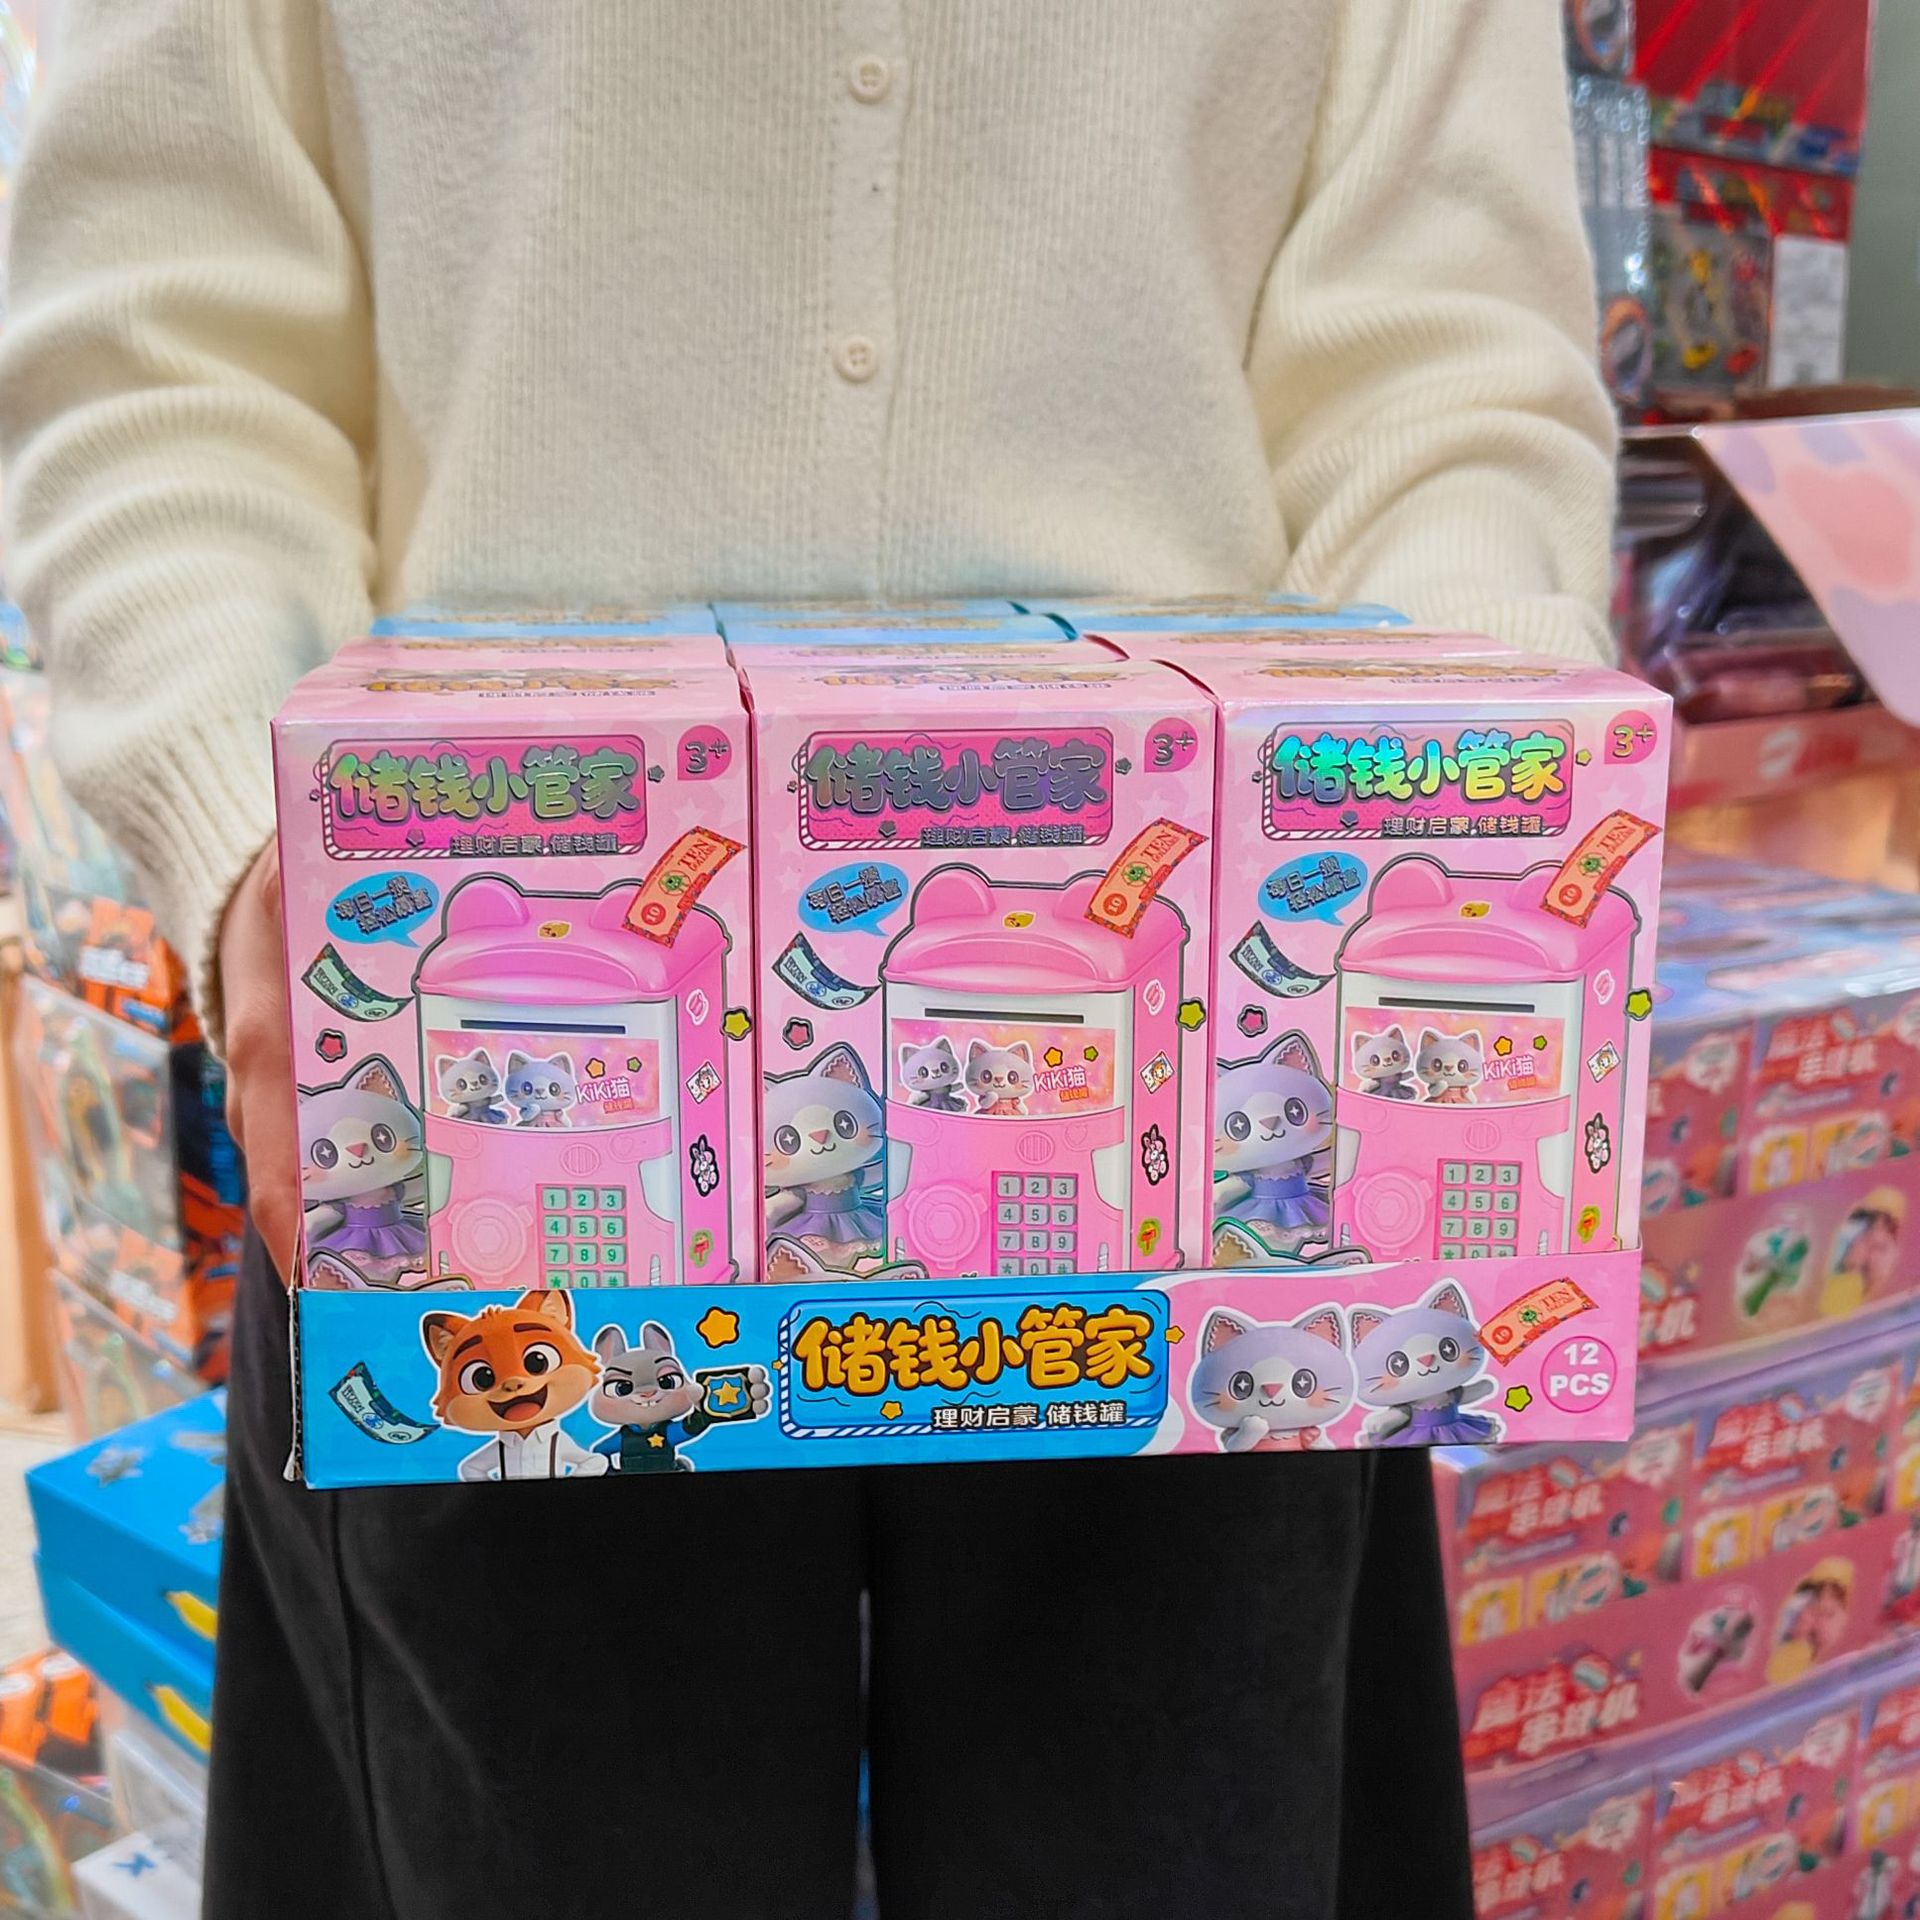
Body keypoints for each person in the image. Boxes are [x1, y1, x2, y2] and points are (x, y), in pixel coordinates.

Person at [0, 3, 1615, 1914]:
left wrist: (1489, 812)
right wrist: (254, 833)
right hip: (488, 1062)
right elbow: (159, 334)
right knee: (529, 1853)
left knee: (1176, 1845)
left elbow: (1445, 379)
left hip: (1180, 1095)